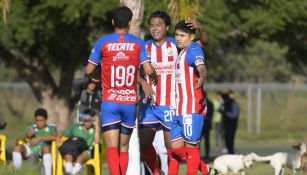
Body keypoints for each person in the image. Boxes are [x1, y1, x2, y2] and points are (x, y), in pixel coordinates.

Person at [85, 6, 157, 175]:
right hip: (130, 103)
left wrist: (98, 72)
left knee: (111, 146)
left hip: (110, 101)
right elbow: (148, 70)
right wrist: (154, 75)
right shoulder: (138, 43)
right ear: (130, 23)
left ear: (112, 22)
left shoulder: (103, 42)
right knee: (123, 147)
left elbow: (89, 70)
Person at [168, 20, 217, 175]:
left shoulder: (193, 50)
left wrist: (202, 76)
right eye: (176, 35)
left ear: (191, 37)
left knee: (191, 150)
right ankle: (206, 170)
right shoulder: (182, 51)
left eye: (182, 35)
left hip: (191, 109)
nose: (178, 38)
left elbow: (201, 67)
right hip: (178, 109)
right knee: (175, 150)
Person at [12, 108, 57, 175]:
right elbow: (17, 141)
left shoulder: (51, 128)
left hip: (42, 150)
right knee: (17, 148)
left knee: (46, 148)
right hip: (30, 149)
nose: (39, 123)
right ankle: (18, 173)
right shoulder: (31, 127)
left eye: (41, 120)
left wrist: (39, 138)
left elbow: (56, 137)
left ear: (46, 120)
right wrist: (26, 135)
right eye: (37, 121)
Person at [57, 108, 100, 175]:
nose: (87, 123)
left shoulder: (94, 130)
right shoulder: (75, 127)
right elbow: (63, 134)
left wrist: (97, 125)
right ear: (82, 119)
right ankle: (69, 172)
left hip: (86, 150)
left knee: (80, 158)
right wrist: (57, 138)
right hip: (73, 149)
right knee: (68, 155)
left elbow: (97, 142)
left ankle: (71, 173)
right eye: (85, 120)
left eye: (90, 120)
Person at [221, 90, 240, 154]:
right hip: (226, 125)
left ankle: (231, 154)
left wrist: (225, 112)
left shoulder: (234, 104)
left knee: (230, 141)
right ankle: (229, 153)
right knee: (227, 141)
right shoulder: (226, 104)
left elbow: (234, 115)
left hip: (232, 125)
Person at [202, 95, 213, 162]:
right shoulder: (209, 103)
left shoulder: (208, 104)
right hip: (203, 124)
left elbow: (210, 114)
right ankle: (205, 156)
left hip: (205, 124)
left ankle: (206, 156)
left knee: (206, 141)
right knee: (201, 141)